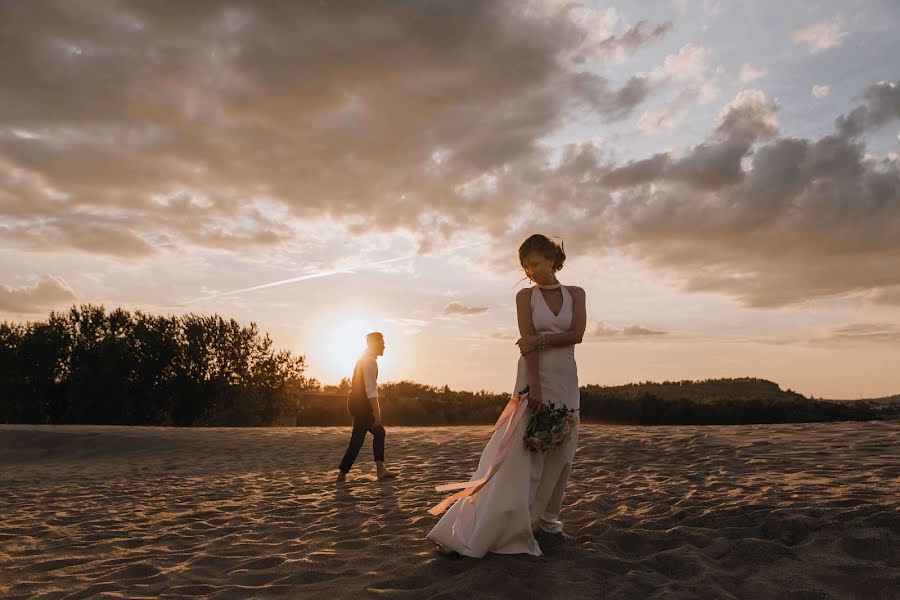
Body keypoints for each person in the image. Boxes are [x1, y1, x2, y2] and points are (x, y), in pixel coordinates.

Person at [426, 234, 586, 557]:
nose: (530, 271)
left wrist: (540, 341)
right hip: (534, 377)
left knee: (563, 452)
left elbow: (577, 334)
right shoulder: (525, 298)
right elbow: (526, 343)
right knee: (519, 451)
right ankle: (511, 521)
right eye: (525, 266)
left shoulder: (576, 294)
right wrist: (535, 389)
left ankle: (547, 520)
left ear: (552, 260)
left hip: (566, 377)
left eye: (536, 263)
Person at [336, 332, 399, 482]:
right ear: (374, 344)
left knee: (371, 435)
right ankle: (376, 471)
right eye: (382, 342)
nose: (384, 345)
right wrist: (377, 412)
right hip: (361, 406)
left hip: (356, 404)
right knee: (361, 439)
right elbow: (370, 389)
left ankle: (343, 474)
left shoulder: (363, 359)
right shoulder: (369, 361)